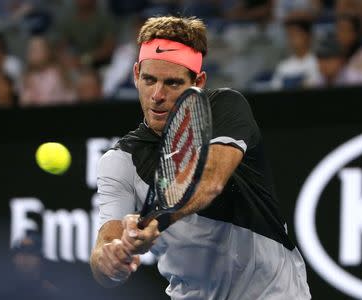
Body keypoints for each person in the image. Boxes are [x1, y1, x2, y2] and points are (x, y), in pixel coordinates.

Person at [90, 16, 311, 299]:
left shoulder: (226, 108)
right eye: (149, 79)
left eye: (172, 83)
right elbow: (106, 244)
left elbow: (210, 183)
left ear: (199, 82)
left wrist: (155, 222)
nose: (157, 95)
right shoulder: (119, 160)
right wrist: (109, 260)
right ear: (135, 75)